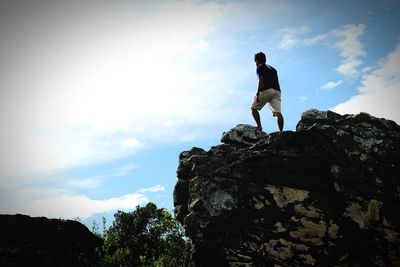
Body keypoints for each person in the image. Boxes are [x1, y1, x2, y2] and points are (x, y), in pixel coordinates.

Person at [251, 52, 284, 132]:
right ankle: (281, 132)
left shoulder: (260, 67)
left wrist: (258, 92)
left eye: (255, 61)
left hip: (267, 90)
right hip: (277, 91)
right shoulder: (273, 69)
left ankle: (259, 126)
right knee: (278, 112)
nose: (255, 63)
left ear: (257, 60)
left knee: (253, 108)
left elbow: (261, 80)